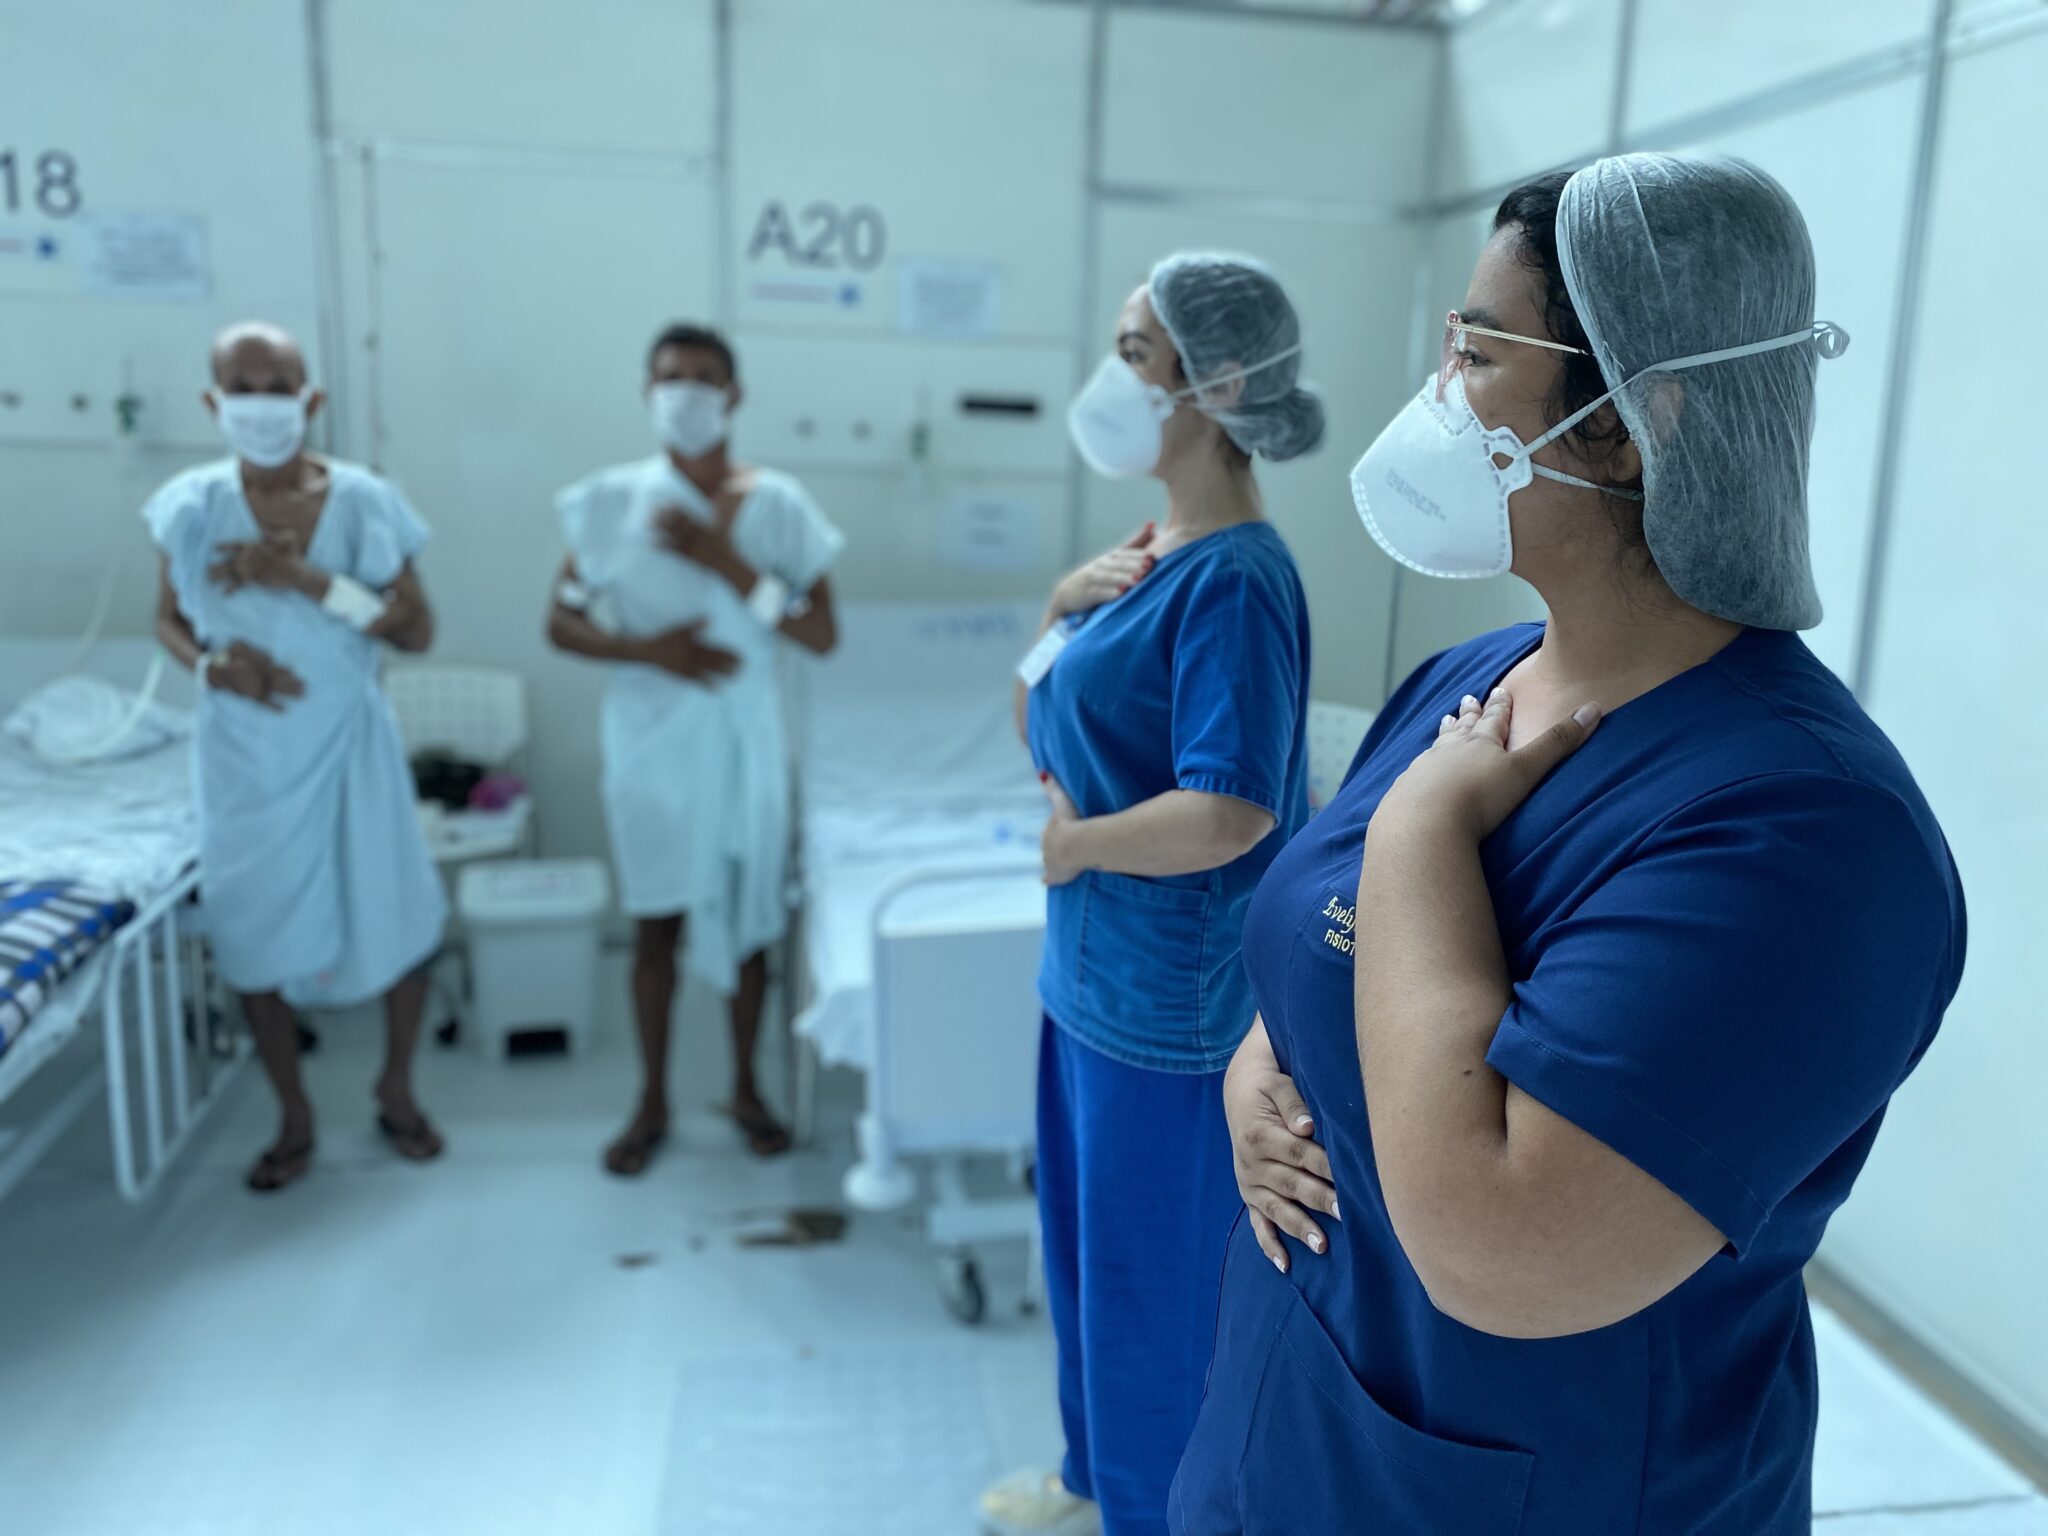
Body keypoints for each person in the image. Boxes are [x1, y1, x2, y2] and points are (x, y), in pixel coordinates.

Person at [1171, 155, 1966, 1535]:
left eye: (1477, 353)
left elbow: (1499, 1251)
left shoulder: (1803, 836)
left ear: (1629, 424)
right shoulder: (1471, 679)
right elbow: (1313, 957)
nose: (1435, 396)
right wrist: (1256, 1077)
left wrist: (1422, 830)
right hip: (1290, 1434)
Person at [980, 255, 1322, 1536]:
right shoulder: (1147, 555)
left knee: (1153, 1305)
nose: (1108, 377)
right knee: (1083, 1267)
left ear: (1215, 384)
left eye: (1133, 353)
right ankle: (1092, 1484)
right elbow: (1042, 727)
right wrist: (1055, 606)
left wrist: (1074, 852)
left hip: (1169, 1015)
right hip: (1087, 987)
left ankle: (1151, 1515)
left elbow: (1229, 812)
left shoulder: (1236, 580)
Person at [148, 321, 450, 1193]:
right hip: (243, 754)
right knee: (250, 934)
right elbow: (166, 618)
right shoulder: (190, 506)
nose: (261, 405)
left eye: (278, 388)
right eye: (241, 389)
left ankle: (396, 1089)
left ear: (311, 398)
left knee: (400, 918)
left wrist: (309, 581)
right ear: (212, 402)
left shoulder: (362, 502)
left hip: (348, 742)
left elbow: (416, 630)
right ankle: (293, 1115)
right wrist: (213, 667)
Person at [547, 322, 842, 1173]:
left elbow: (818, 631)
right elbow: (561, 620)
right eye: (671, 378)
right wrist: (650, 651)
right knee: (655, 923)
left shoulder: (778, 505)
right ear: (649, 392)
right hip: (650, 741)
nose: (687, 394)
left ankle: (746, 1088)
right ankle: (651, 1100)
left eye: (704, 378)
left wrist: (727, 562)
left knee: (751, 925)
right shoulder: (612, 500)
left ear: (734, 395)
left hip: (745, 741)